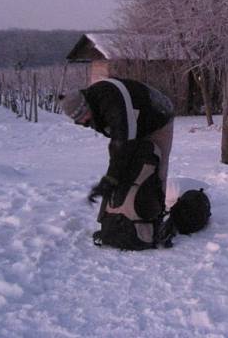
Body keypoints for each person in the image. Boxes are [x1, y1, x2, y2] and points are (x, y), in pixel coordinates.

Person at [61, 77, 175, 249]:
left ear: (86, 105)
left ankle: (155, 223)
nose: (84, 123)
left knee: (156, 169)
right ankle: (120, 219)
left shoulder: (113, 102)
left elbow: (122, 144)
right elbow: (118, 145)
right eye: (79, 121)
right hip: (137, 122)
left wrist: (110, 179)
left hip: (158, 118)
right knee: (126, 169)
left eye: (83, 117)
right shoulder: (96, 106)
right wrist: (111, 179)